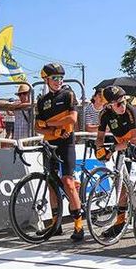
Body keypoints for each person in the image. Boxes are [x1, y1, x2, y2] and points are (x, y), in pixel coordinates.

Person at [94, 85, 136, 240]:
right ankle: (120, 221)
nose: (122, 106)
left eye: (123, 101)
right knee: (121, 184)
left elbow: (135, 139)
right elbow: (100, 137)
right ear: (109, 105)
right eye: (118, 104)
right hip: (122, 145)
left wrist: (113, 148)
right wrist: (100, 148)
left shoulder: (131, 110)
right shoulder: (104, 114)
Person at [35, 63, 83, 240]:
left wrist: (49, 124)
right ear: (46, 79)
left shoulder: (68, 94)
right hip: (50, 143)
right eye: (54, 78)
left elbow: (72, 118)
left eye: (60, 78)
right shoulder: (41, 100)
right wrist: (53, 130)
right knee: (51, 184)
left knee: (68, 182)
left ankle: (79, 225)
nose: (58, 81)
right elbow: (37, 127)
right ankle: (56, 224)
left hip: (66, 143)